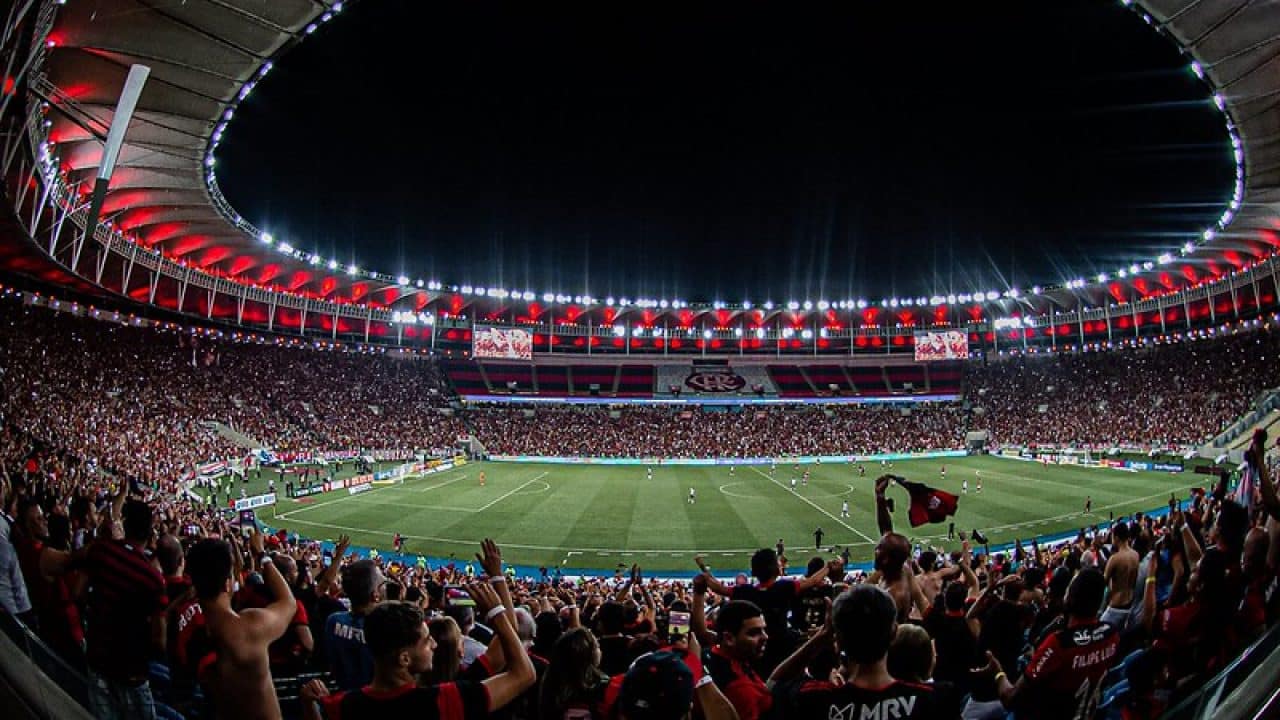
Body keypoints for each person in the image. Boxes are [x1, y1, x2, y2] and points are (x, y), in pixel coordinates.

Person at [301, 583, 535, 720]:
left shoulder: (340, 706)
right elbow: (524, 674)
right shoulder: (443, 701)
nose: (434, 644)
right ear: (404, 658)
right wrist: (496, 613)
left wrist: (307, 704)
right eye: (426, 641)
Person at [768, 585, 939, 718]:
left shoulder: (815, 699)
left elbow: (773, 685)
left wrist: (820, 638)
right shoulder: (932, 700)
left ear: (838, 641)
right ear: (894, 632)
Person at [973, 568, 1118, 720]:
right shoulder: (1112, 634)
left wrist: (998, 672)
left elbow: (1010, 699)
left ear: (1069, 598)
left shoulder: (1058, 643)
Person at [187, 532, 299, 720]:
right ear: (227, 584)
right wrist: (262, 555)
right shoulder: (247, 628)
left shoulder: (189, 629)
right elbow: (288, 603)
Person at [83, 499, 168, 720]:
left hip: (97, 659)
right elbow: (160, 642)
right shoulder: (153, 578)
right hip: (131, 671)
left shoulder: (101, 551)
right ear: (150, 533)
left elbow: (77, 593)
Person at [704, 600, 772, 720]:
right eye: (754, 633)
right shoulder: (740, 690)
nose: (765, 637)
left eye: (764, 630)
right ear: (729, 638)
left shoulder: (714, 653)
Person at [325, 559, 384, 690]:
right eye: (383, 583)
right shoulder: (384, 628)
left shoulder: (333, 621)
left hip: (342, 696)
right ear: (375, 595)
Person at [1100, 521, 1138, 632]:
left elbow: (1103, 583)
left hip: (1116, 607)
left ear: (1116, 537)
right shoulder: (1135, 554)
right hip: (1130, 604)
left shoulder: (1115, 559)